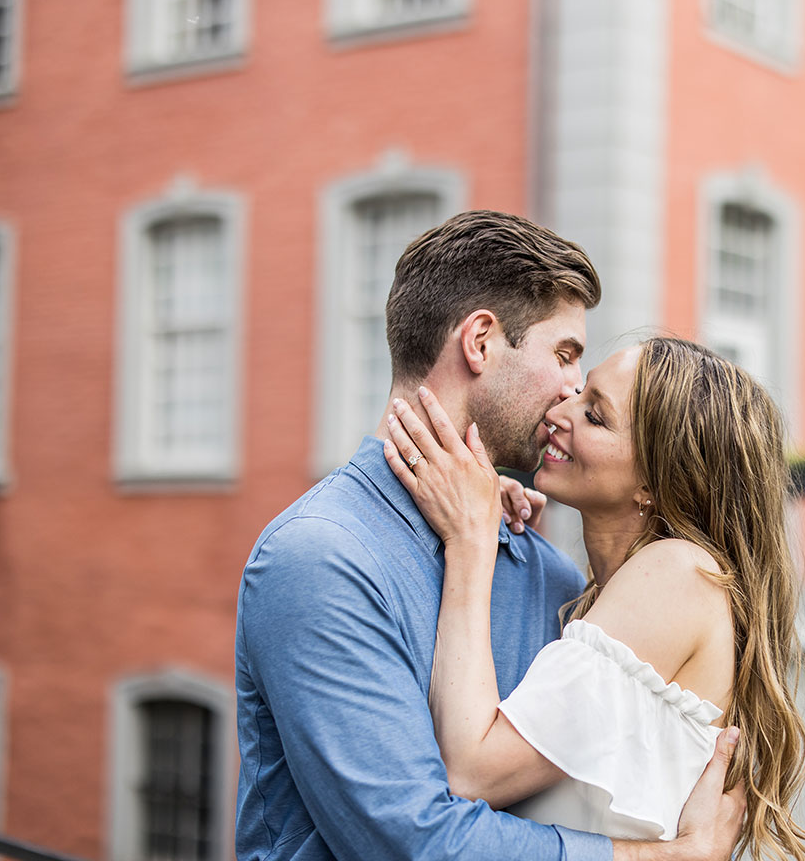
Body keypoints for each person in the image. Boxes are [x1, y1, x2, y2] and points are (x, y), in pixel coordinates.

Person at [235, 210, 745, 861]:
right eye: (565, 355)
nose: (570, 392)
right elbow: (411, 842)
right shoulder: (322, 558)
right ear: (480, 342)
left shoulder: (552, 578)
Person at [381, 337, 805, 859]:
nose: (559, 411)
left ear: (655, 479)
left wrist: (470, 541)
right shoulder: (611, 594)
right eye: (578, 393)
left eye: (595, 415)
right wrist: (493, 520)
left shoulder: (677, 573)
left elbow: (471, 770)